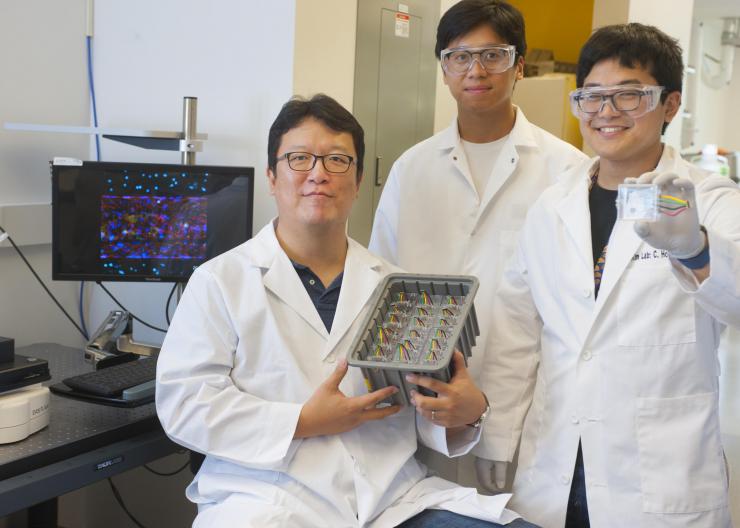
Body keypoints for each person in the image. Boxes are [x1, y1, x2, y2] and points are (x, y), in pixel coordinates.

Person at [156, 94, 537, 527]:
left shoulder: (399, 288)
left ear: (357, 182)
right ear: (271, 177)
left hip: (392, 499)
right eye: (299, 159)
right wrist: (302, 421)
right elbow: (185, 406)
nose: (318, 174)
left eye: (338, 160)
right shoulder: (219, 282)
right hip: (269, 499)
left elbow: (418, 406)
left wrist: (465, 413)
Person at [476, 23, 740, 527]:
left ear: (670, 104)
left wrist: (695, 249)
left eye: (629, 95)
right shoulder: (552, 205)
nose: (606, 112)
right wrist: (499, 438)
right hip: (555, 463)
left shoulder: (709, 199)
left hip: (658, 473)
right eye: (592, 97)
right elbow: (517, 334)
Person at [368, 0, 587, 490]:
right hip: (422, 404)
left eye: (493, 55)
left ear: (520, 66)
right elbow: (380, 285)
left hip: (529, 411)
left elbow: (570, 313)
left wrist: (501, 426)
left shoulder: (566, 171)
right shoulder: (413, 168)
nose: (476, 70)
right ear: (443, 69)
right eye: (459, 57)